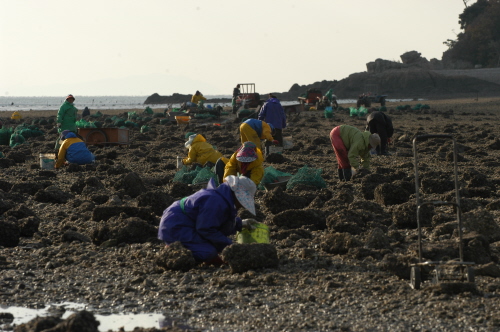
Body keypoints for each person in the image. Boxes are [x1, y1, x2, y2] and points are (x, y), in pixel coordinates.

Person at [158, 175, 258, 264]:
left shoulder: (222, 199)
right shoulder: (216, 202)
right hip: (176, 225)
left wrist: (239, 223)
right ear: (236, 195)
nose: (242, 206)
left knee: (215, 245)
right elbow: (206, 228)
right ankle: (175, 251)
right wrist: (231, 246)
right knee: (208, 252)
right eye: (242, 202)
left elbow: (219, 223)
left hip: (186, 223)